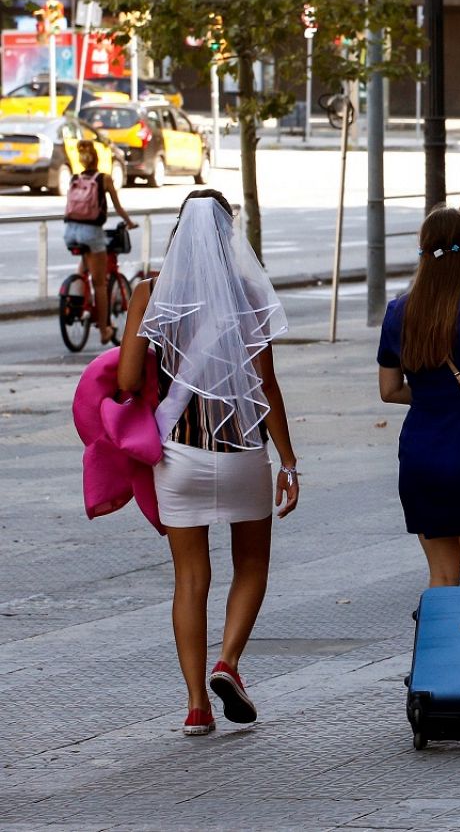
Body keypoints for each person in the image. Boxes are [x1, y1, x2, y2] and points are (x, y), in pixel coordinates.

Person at [116, 190, 299, 737]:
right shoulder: (245, 294)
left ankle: (196, 706)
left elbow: (127, 382)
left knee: (190, 579)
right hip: (242, 452)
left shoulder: (150, 294)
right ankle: (229, 662)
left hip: (181, 455)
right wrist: (288, 461)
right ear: (228, 237)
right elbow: (266, 385)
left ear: (178, 233)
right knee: (252, 566)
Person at [378, 208, 460, 587]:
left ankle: (438, 646)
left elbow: (389, 390)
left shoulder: (397, 312)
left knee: (442, 575)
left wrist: (430, 393)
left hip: (419, 453)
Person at [63, 140, 136, 345]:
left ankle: (77, 296)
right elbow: (118, 208)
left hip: (70, 231)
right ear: (97, 157)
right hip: (91, 232)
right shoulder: (104, 179)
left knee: (84, 267)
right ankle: (104, 329)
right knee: (100, 283)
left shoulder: (74, 179)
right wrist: (130, 222)